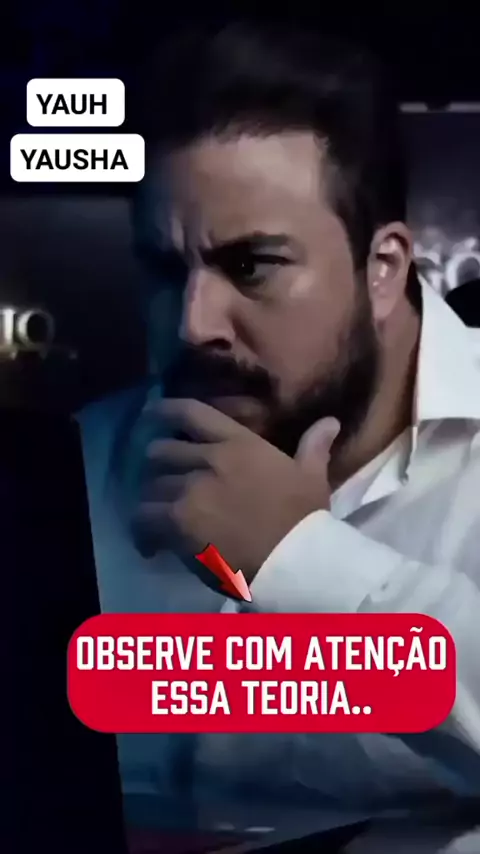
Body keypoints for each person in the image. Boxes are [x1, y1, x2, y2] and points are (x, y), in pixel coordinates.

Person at [78, 21, 480, 836]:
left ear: (384, 268)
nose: (193, 326)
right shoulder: (77, 471)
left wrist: (299, 559)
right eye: (165, 269)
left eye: (251, 265)